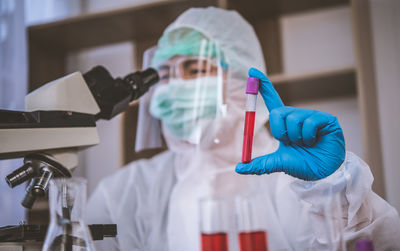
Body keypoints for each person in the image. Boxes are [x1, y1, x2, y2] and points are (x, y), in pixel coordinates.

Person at [86, 7, 400, 251]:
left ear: (240, 79)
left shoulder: (296, 180)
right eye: (165, 74)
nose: (175, 86)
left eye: (194, 68)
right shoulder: (126, 191)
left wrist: (334, 191)